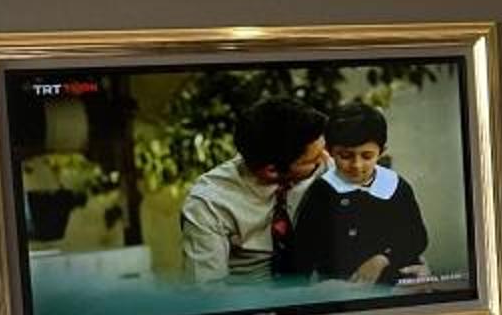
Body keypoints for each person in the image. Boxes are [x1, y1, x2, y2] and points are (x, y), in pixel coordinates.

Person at [177, 96, 326, 282]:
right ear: (271, 170)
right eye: (313, 160)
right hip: (248, 296)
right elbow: (206, 292)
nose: (325, 160)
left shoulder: (323, 169)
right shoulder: (209, 204)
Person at [282, 101, 432, 286]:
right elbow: (303, 251)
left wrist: (383, 258)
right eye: (345, 156)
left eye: (367, 156)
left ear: (381, 152)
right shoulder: (322, 191)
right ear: (330, 151)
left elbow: (416, 238)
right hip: (340, 288)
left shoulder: (395, 186)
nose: (356, 165)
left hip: (391, 284)